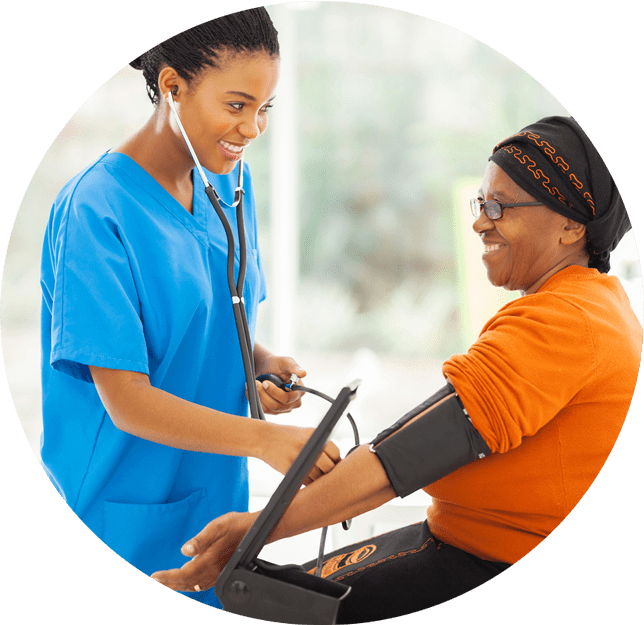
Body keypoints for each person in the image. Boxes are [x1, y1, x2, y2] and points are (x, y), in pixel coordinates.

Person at [151, 116, 642, 622]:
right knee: (283, 591)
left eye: (499, 207)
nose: (479, 221)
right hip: (464, 541)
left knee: (270, 604)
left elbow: (405, 457)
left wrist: (256, 528)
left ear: (572, 224)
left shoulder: (567, 322)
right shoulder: (587, 305)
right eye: (481, 203)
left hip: (492, 563)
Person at [39, 8, 341, 610]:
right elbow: (127, 400)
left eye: (265, 108)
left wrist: (258, 364)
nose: (253, 128)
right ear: (172, 87)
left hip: (213, 507)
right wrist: (263, 440)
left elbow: (216, 324)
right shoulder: (96, 211)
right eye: (236, 106)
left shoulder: (230, 181)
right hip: (115, 519)